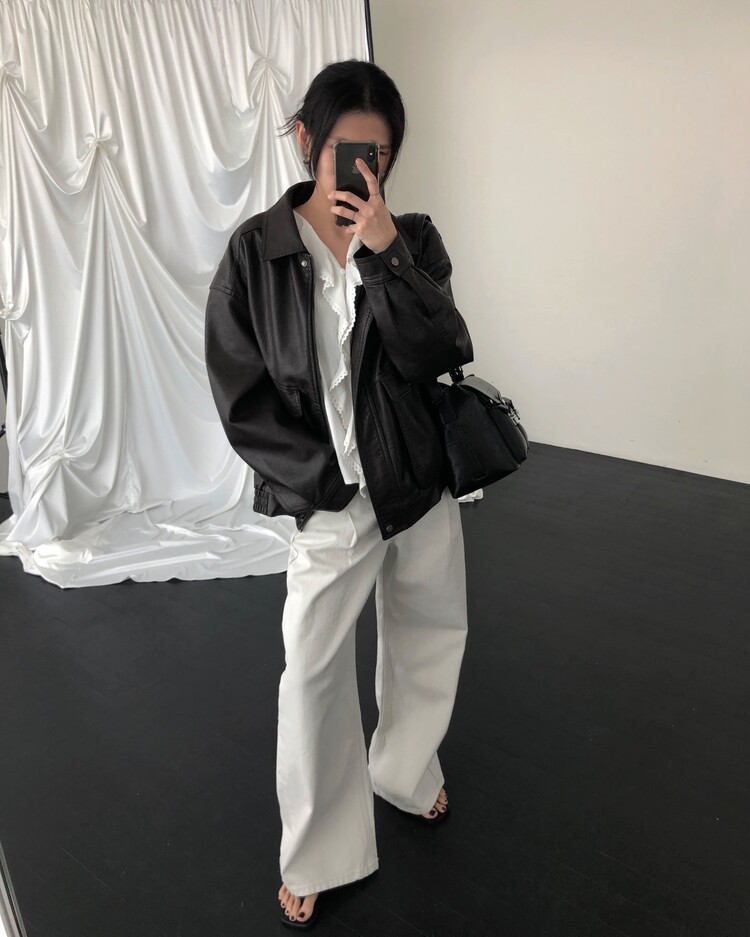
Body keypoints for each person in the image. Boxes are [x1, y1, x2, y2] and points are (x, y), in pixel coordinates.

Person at [204, 59, 473, 930]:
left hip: (417, 479)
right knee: (313, 669)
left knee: (429, 632)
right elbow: (241, 392)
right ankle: (320, 845)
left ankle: (406, 769)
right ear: (305, 140)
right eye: (346, 150)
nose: (363, 170)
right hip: (331, 496)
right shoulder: (256, 252)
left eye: (379, 155)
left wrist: (387, 256)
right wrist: (317, 486)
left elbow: (441, 351)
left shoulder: (413, 238)